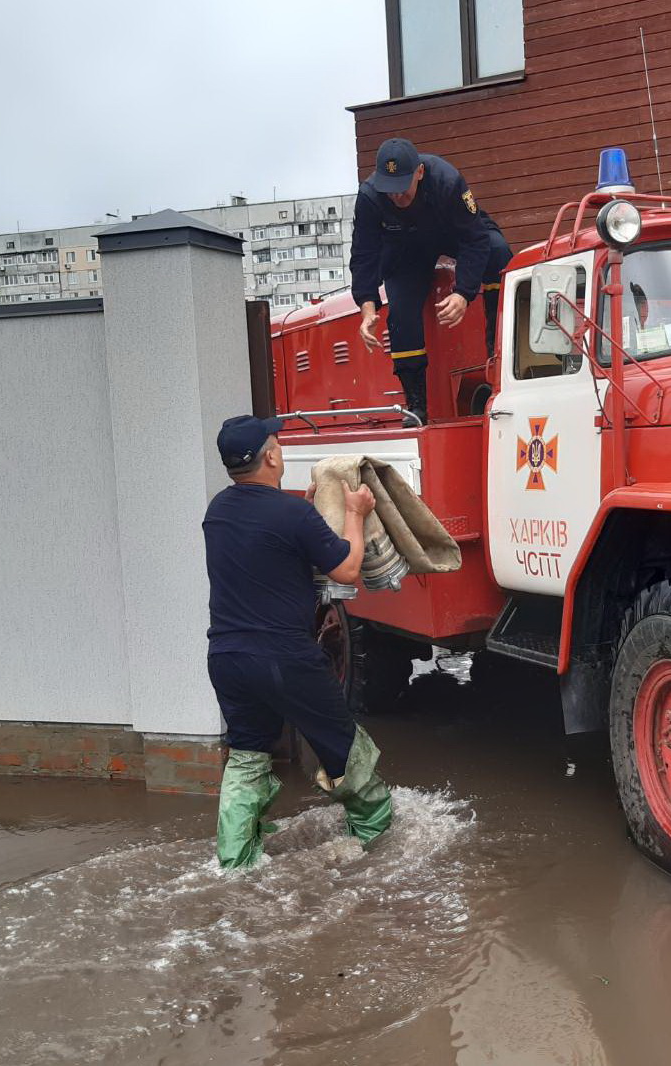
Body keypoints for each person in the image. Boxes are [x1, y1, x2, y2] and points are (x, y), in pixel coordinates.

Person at [205, 414, 394, 869]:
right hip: (284, 657)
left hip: (228, 658)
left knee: (248, 758)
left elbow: (270, 542)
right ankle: (380, 848)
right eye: (278, 444)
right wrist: (354, 513)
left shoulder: (218, 511)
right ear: (272, 456)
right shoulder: (291, 515)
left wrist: (308, 510)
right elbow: (347, 570)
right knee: (346, 750)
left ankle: (234, 865)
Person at [350, 137, 513, 425]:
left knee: (498, 252)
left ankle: (498, 358)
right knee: (400, 312)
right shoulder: (369, 197)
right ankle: (416, 404)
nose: (397, 197)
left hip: (450, 233)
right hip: (404, 249)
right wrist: (367, 310)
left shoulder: (447, 180)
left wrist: (463, 293)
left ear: (420, 173)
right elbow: (364, 255)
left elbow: (474, 239)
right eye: (390, 191)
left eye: (403, 188)